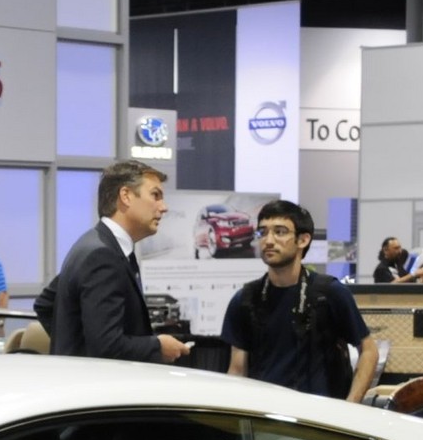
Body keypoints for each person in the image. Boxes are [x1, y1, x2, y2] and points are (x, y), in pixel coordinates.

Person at [222, 200, 378, 402]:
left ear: (302, 240)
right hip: (263, 417)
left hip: (317, 421)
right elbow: (237, 370)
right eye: (263, 232)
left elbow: (369, 351)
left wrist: (350, 406)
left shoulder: (329, 293)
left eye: (279, 232)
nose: (268, 241)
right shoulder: (245, 299)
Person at [34, 160, 187, 364]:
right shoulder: (102, 255)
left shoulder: (93, 244)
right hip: (97, 388)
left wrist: (72, 348)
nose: (164, 207)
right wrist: (158, 347)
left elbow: (45, 304)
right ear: (126, 196)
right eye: (155, 195)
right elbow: (107, 346)